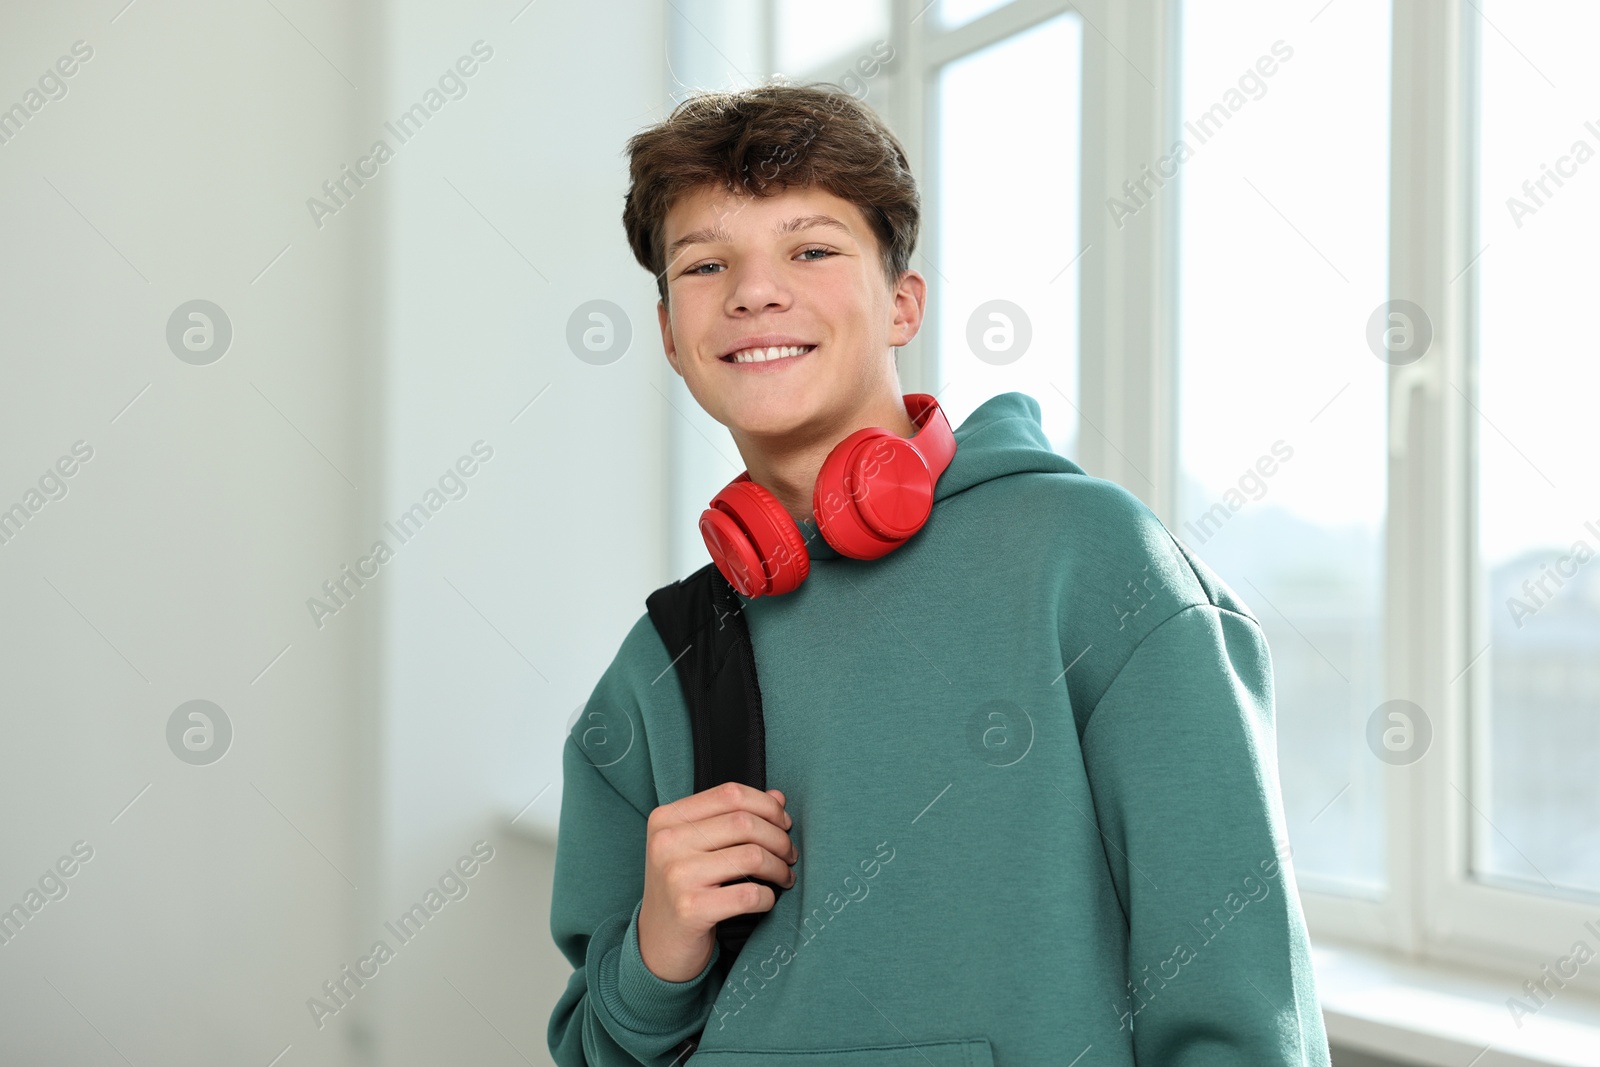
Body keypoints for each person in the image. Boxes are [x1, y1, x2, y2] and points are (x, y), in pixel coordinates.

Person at [547, 81, 1331, 1066]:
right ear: (670, 333)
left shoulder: (1090, 563)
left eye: (812, 249)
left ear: (902, 304)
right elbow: (595, 1049)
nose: (754, 290)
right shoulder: (664, 659)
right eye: (706, 263)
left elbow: (1238, 999)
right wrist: (654, 953)